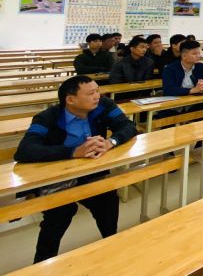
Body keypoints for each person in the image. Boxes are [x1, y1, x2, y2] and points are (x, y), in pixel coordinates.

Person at [15, 75, 138, 263]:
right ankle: (41, 264)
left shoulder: (103, 105)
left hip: (90, 170)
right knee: (60, 213)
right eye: (91, 93)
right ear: (71, 99)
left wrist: (111, 142)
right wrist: (73, 152)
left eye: (97, 91)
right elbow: (25, 150)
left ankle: (111, 244)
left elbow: (128, 126)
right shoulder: (48, 117)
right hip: (58, 174)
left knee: (107, 200)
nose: (97, 96)